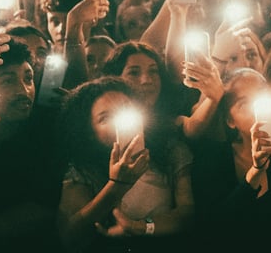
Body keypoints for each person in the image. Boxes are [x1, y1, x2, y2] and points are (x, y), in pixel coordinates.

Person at [56, 76, 195, 251]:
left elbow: (187, 214)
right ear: (90, 132)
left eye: (126, 109)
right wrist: (117, 185)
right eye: (105, 117)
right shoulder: (82, 168)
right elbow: (70, 237)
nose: (119, 122)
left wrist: (140, 227)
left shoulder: (170, 149)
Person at [189, 67, 271, 249]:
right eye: (244, 104)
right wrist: (256, 171)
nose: (257, 110)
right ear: (230, 120)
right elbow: (214, 230)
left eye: (262, 98)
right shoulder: (213, 160)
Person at [0, 40, 64, 248]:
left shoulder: (46, 131)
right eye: (8, 81)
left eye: (29, 78)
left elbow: (46, 205)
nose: (23, 90)